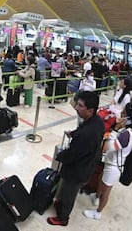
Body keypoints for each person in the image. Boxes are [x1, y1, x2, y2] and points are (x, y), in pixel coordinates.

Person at [47, 91, 104, 226]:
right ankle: (60, 206)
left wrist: (60, 156)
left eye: (80, 106)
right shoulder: (97, 122)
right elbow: (84, 134)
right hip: (87, 165)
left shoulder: (86, 134)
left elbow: (72, 155)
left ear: (90, 110)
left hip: (78, 171)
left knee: (69, 194)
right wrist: (74, 134)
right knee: (65, 190)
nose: (76, 108)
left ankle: (63, 218)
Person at [83, 102, 132, 220]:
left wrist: (115, 130)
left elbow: (108, 147)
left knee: (106, 191)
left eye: (124, 112)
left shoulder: (127, 134)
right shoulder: (129, 130)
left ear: (128, 117)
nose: (121, 113)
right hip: (110, 162)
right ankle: (97, 196)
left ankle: (98, 212)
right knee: (101, 179)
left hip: (114, 167)